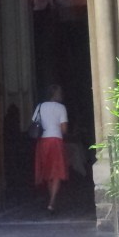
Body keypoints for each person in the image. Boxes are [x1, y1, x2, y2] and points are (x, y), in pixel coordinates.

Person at [33, 84, 68, 214]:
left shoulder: (40, 106)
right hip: (56, 141)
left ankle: (51, 201)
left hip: (43, 141)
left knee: (48, 173)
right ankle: (52, 202)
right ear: (56, 94)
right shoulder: (61, 108)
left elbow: (35, 123)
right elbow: (64, 129)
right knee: (57, 172)